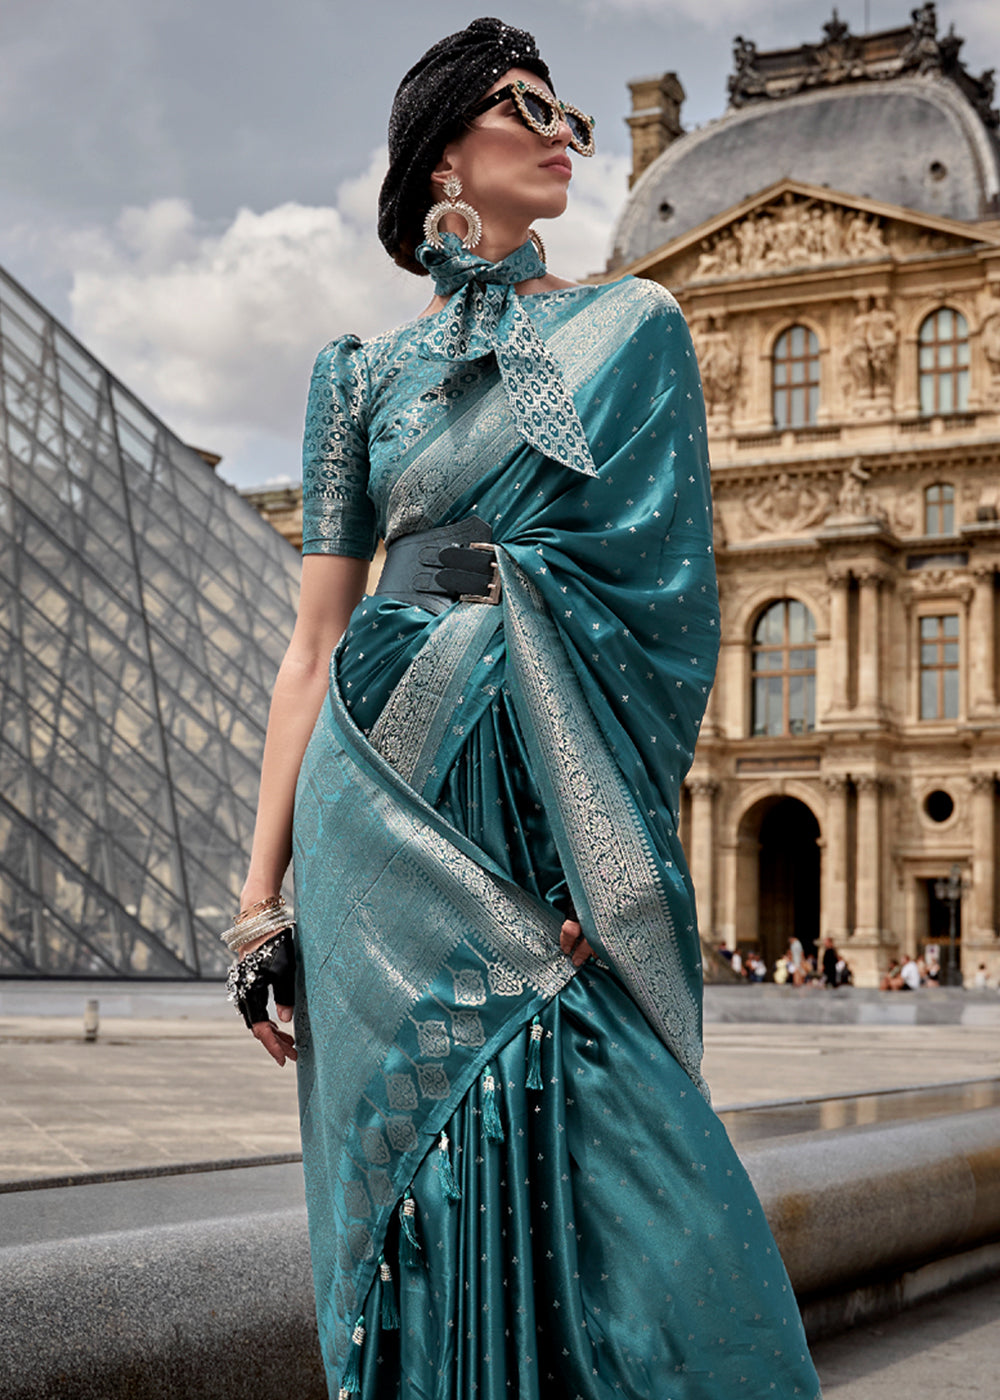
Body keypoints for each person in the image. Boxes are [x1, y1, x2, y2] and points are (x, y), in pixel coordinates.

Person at [226, 18, 822, 1399]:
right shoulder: (354, 378)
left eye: (573, 119)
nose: (565, 133)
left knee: (649, 1193)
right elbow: (314, 642)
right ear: (447, 149)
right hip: (381, 802)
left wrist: (592, 842)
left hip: (543, 781)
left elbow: (665, 615)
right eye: (528, 107)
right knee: (415, 1208)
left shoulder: (637, 326)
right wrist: (261, 901)